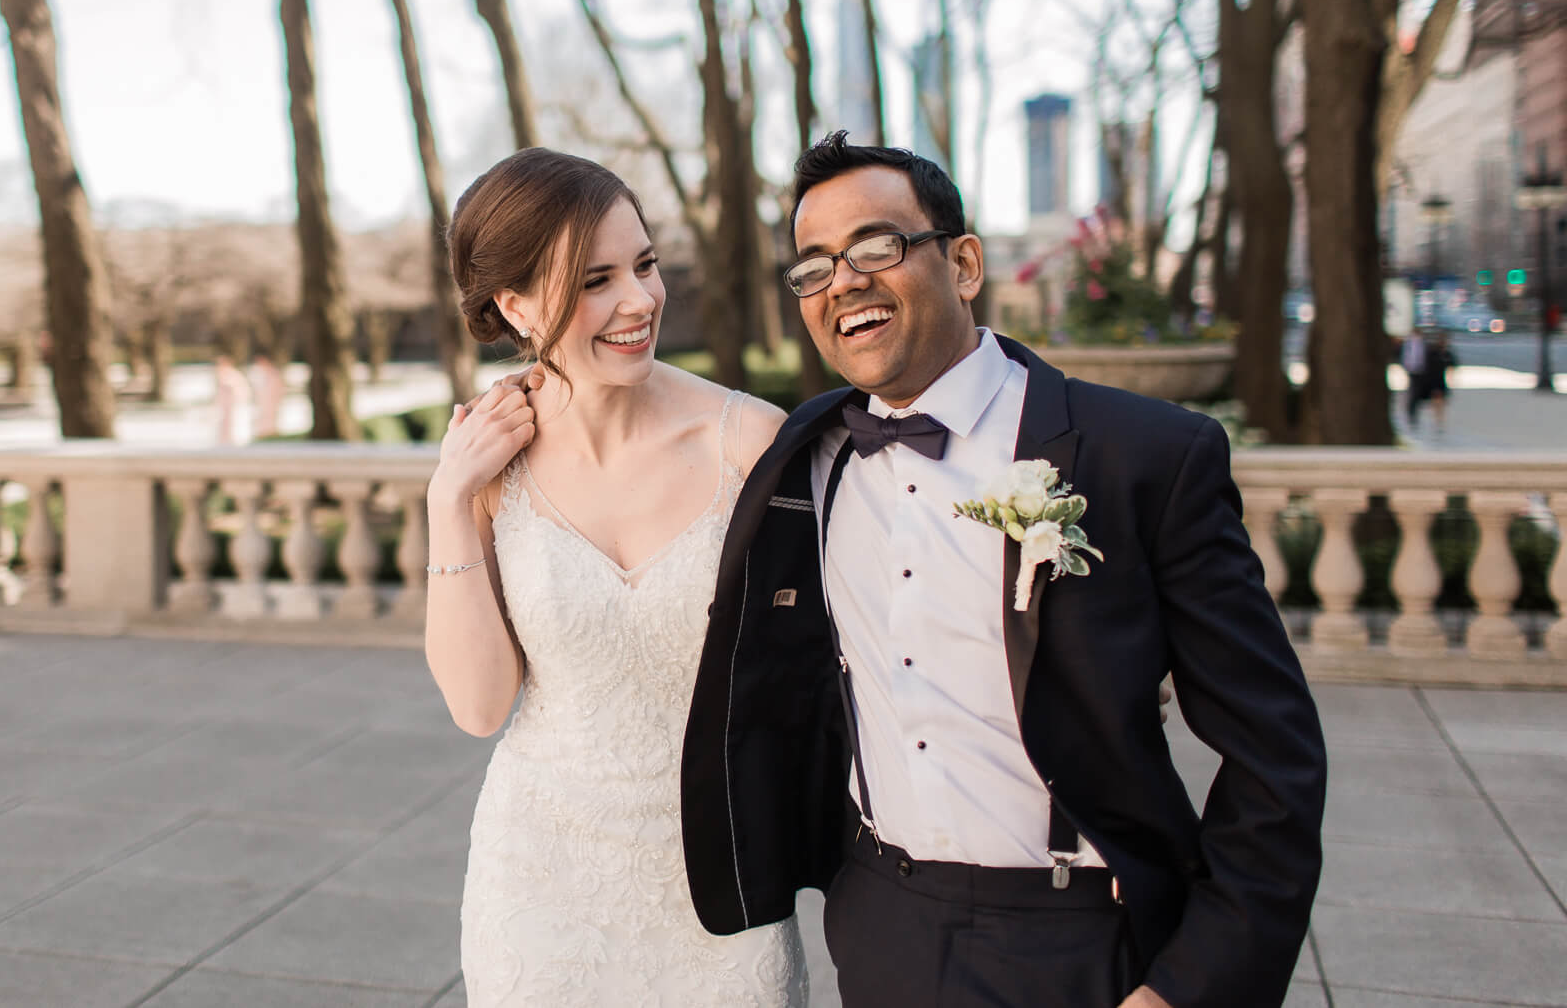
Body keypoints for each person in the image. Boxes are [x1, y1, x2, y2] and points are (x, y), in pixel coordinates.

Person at [681, 133, 1326, 1008]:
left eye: (877, 246)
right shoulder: (806, 460)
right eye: (814, 266)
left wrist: (1193, 984)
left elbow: (1276, 755)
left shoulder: (1144, 456)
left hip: (1083, 939)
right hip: (882, 926)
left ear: (965, 262)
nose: (844, 281)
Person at [426, 148, 807, 1006]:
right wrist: (448, 497)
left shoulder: (747, 442)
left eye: (644, 264)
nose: (638, 300)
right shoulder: (489, 464)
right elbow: (480, 707)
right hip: (540, 879)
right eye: (595, 280)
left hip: (719, 883)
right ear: (515, 305)